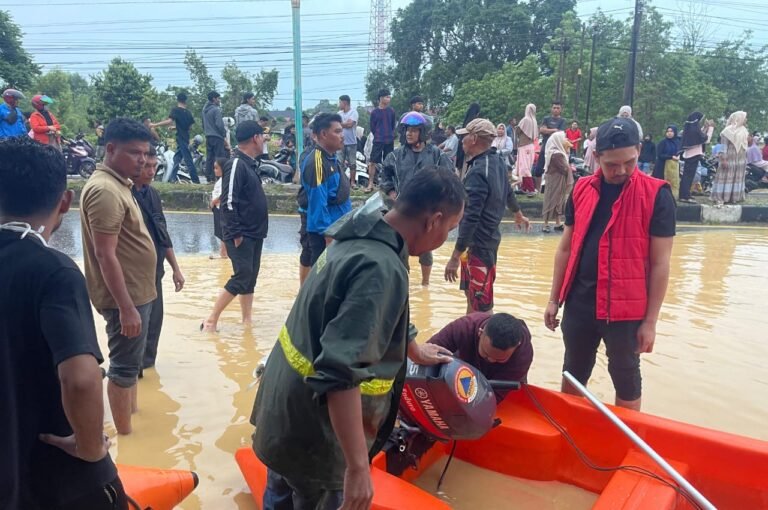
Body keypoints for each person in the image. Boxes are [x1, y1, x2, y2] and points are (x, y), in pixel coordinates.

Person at [251, 167, 466, 510]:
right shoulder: (379, 269)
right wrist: (357, 467)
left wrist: (411, 346)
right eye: (450, 229)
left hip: (282, 409)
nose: (445, 240)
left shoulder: (372, 227)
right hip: (317, 433)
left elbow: (359, 308)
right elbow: (340, 375)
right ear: (433, 221)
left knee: (278, 494)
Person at [0, 137, 128, 510]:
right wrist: (89, 449)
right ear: (65, 202)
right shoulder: (52, 271)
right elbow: (81, 378)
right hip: (49, 473)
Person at [544, 117, 675, 411]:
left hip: (626, 310)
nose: (622, 171)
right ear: (597, 156)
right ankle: (569, 431)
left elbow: (660, 264)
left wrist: (651, 322)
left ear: (639, 150)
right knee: (573, 370)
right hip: (580, 301)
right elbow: (566, 248)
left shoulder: (657, 195)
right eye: (612, 165)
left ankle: (626, 444)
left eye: (629, 162)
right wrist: (554, 299)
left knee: (626, 375)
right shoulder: (581, 190)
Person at [79, 118, 158, 435]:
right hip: (127, 298)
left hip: (139, 292)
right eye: (134, 153)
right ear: (110, 149)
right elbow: (104, 253)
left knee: (132, 366)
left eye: (145, 153)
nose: (142, 160)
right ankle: (128, 439)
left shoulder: (119, 184)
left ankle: (132, 415)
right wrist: (125, 307)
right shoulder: (105, 190)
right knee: (124, 369)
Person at [445, 118, 531, 314]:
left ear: (474, 139)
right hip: (485, 243)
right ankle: (470, 341)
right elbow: (508, 190)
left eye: (464, 136)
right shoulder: (497, 162)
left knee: (481, 305)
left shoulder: (478, 171)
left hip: (479, 246)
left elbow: (471, 217)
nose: (462, 141)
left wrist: (455, 256)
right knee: (472, 296)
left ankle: (482, 341)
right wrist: (518, 213)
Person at [202, 121, 269, 332]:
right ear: (255, 138)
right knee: (242, 276)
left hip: (254, 232)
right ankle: (211, 320)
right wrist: (235, 234)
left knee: (250, 277)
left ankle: (246, 320)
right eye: (263, 136)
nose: (265, 140)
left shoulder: (249, 163)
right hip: (242, 233)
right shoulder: (237, 164)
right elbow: (228, 201)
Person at [381, 111, 454, 286]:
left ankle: (425, 284)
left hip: (426, 210)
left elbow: (448, 177)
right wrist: (392, 193)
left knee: (426, 249)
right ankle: (401, 282)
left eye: (414, 130)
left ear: (423, 132)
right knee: (399, 247)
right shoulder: (395, 155)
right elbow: (385, 177)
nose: (409, 133)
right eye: (407, 130)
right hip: (402, 209)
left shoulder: (436, 154)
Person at [132, 148, 185, 371]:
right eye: (147, 167)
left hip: (156, 271)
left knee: (155, 322)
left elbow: (162, 233)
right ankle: (135, 371)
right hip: (135, 274)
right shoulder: (126, 195)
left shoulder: (152, 194)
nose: (152, 171)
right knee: (137, 326)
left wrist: (175, 268)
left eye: (155, 166)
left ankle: (147, 368)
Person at [427, 312, 534, 402]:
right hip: (465, 367)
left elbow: (496, 396)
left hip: (501, 379)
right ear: (480, 333)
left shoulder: (523, 355)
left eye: (499, 359)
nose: (491, 360)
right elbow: (428, 351)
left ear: (517, 345)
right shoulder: (464, 327)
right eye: (486, 354)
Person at [299, 113, 352, 266]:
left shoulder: (331, 157)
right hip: (326, 236)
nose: (342, 136)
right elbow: (318, 202)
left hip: (338, 229)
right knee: (322, 276)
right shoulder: (317, 162)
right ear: (323, 134)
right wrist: (328, 236)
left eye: (341, 131)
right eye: (337, 131)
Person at [151, 92, 199, 183]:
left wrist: (155, 124)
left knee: (188, 160)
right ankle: (172, 178)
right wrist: (175, 128)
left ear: (178, 100)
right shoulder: (188, 113)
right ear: (185, 101)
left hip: (181, 138)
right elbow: (189, 127)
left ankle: (196, 180)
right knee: (176, 158)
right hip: (186, 137)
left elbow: (169, 121)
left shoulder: (176, 110)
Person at [711, 111, 749, 206]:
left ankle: (734, 197)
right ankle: (721, 197)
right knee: (726, 177)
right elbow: (723, 147)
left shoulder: (744, 130)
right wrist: (723, 159)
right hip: (729, 158)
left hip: (740, 159)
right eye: (744, 117)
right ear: (738, 118)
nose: (746, 120)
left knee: (737, 177)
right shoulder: (727, 131)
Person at [542, 131, 573, 233]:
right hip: (555, 179)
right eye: (563, 138)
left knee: (559, 200)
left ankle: (558, 222)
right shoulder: (557, 154)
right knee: (551, 200)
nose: (565, 140)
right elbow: (564, 168)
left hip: (558, 179)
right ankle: (546, 224)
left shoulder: (557, 152)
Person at [368, 88, 396, 192]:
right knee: (373, 161)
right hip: (378, 140)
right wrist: (379, 135)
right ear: (381, 98)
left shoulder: (391, 111)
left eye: (389, 97)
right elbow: (372, 127)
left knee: (389, 162)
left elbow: (393, 125)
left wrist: (390, 134)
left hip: (389, 140)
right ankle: (370, 183)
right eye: (386, 97)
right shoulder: (374, 112)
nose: (388, 99)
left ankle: (388, 183)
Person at [534, 101, 566, 192]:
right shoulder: (546, 119)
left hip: (556, 148)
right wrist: (554, 130)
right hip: (545, 146)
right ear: (551, 109)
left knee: (554, 170)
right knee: (539, 169)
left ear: (561, 110)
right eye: (554, 107)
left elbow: (560, 133)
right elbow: (542, 130)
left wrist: (547, 130)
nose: (556, 109)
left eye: (558, 108)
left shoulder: (562, 121)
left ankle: (552, 189)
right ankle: (538, 189)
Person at [680, 112, 709, 203]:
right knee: (688, 176)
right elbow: (705, 139)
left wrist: (705, 128)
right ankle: (685, 196)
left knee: (687, 176)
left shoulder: (691, 128)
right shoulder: (694, 130)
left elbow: (700, 135)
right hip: (694, 155)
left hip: (690, 155)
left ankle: (685, 194)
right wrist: (711, 128)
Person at [203, 91, 230, 181]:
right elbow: (219, 125)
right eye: (218, 98)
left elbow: (203, 124)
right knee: (219, 157)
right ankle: (219, 177)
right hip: (217, 137)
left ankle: (209, 176)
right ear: (214, 99)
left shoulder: (204, 110)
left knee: (209, 157)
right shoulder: (216, 110)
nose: (219, 101)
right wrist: (223, 135)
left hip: (208, 136)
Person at [515, 104, 538, 194]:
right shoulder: (534, 121)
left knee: (524, 168)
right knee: (525, 166)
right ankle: (524, 188)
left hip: (524, 146)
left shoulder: (525, 120)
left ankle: (531, 188)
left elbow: (518, 130)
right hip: (531, 146)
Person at [338, 94, 359, 186]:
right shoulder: (339, 114)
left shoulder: (354, 112)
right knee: (339, 163)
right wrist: (344, 124)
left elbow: (350, 125)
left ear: (344, 102)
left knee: (352, 163)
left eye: (340, 102)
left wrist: (341, 124)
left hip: (351, 142)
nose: (339, 104)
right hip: (340, 142)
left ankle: (352, 182)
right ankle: (341, 182)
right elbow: (337, 125)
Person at [210, 157, 229, 260]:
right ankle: (223, 252)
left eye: (216, 168)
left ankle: (224, 253)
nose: (214, 170)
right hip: (217, 207)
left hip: (220, 207)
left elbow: (223, 194)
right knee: (221, 230)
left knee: (223, 230)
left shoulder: (225, 181)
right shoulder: (221, 180)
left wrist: (214, 201)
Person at [655, 125, 680, 196]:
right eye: (668, 131)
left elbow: (679, 152)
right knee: (661, 183)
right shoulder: (663, 142)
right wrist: (671, 157)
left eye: (671, 131)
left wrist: (678, 156)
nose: (669, 133)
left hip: (673, 166)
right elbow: (659, 154)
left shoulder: (677, 142)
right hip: (662, 166)